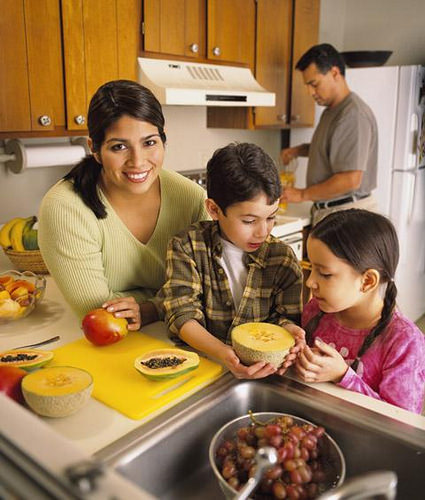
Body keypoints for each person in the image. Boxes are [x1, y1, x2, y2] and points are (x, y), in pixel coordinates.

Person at [38, 80, 209, 328]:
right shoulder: (65, 209)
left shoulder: (192, 199)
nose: (137, 162)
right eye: (119, 147)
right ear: (94, 150)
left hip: (186, 334)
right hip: (105, 342)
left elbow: (210, 286)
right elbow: (97, 312)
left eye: (149, 142)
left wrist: (149, 309)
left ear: (163, 141)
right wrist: (172, 297)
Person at [160, 142, 305, 379]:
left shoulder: (283, 259)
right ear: (214, 209)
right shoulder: (186, 246)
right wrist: (224, 353)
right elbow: (182, 314)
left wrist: (291, 331)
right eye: (249, 221)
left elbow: (285, 318)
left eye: (271, 218)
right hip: (201, 367)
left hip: (264, 373)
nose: (263, 231)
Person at [295, 209, 425, 414]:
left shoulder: (404, 342)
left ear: (367, 281)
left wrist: (343, 376)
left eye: (325, 273)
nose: (310, 281)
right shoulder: (315, 311)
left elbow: (401, 422)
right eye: (311, 268)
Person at [280, 43, 378, 226]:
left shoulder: (352, 115)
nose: (310, 92)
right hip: (334, 211)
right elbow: (332, 150)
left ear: (335, 73)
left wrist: (302, 194)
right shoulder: (332, 111)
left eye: (314, 84)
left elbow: (350, 179)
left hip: (348, 216)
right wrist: (298, 150)